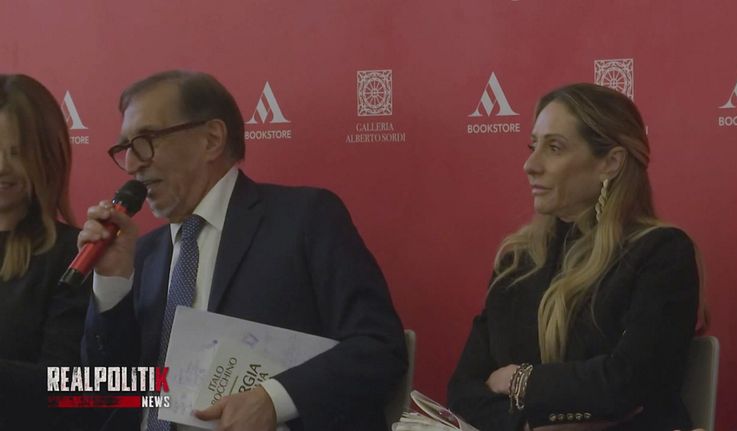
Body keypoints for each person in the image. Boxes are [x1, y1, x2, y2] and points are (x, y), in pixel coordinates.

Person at [79, 70, 407, 431]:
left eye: (146, 140)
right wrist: (111, 284)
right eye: (124, 148)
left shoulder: (304, 220)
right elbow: (108, 395)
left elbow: (379, 347)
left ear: (211, 139)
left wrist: (274, 400)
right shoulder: (142, 255)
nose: (131, 164)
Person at [447, 83, 700, 431]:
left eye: (554, 148)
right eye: (533, 146)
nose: (530, 165)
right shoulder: (517, 261)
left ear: (610, 163)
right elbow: (463, 392)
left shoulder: (661, 253)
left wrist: (520, 380)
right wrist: (526, 426)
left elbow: (627, 383)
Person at [0, 74, 91, 428]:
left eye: (16, 153)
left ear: (47, 156)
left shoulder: (77, 255)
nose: (2, 166)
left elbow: (62, 385)